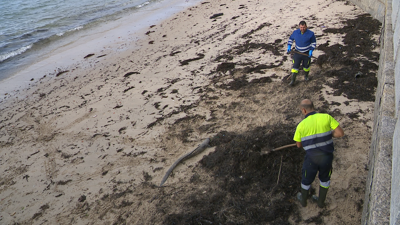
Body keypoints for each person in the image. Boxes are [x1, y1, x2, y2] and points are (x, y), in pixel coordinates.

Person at [293, 99, 344, 208]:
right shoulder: (326, 117)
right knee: (325, 179)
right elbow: (340, 133)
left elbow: (298, 145)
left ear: (304, 110)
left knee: (306, 180)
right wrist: (329, 134)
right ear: (313, 107)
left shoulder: (301, 126)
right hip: (327, 157)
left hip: (311, 159)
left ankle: (303, 200)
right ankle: (321, 202)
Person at [287, 21, 316, 86]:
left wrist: (311, 50)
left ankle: (306, 77)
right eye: (301, 27)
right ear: (299, 27)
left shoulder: (311, 34)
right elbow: (291, 39)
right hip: (297, 52)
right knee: (295, 67)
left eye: (304, 27)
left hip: (306, 53)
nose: (302, 29)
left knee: (306, 66)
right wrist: (289, 46)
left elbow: (314, 43)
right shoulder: (295, 33)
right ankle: (292, 81)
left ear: (306, 26)